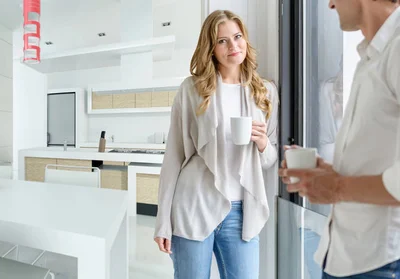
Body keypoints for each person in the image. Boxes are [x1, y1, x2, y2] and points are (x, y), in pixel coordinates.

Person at [154, 9, 279, 279]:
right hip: (194, 203)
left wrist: (262, 144)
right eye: (222, 41)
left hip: (241, 212)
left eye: (237, 37)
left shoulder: (265, 92)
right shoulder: (191, 90)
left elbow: (270, 160)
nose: (233, 46)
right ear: (210, 48)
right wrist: (163, 221)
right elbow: (173, 157)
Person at [279, 0, 400, 278]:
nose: (331, 4)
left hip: (381, 262)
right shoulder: (370, 56)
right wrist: (329, 174)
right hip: (346, 256)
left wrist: (338, 188)